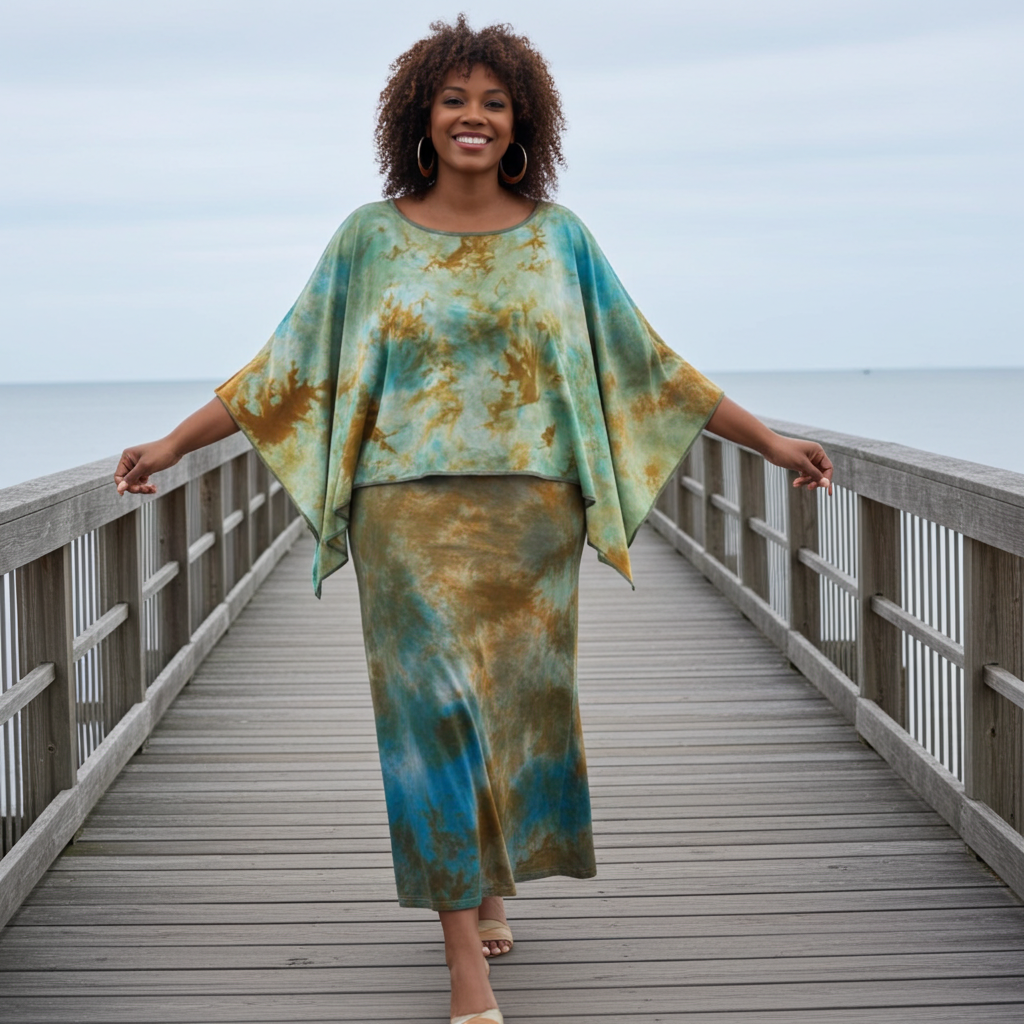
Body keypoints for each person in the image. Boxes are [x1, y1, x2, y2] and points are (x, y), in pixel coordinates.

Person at [115, 16, 833, 1024]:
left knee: (504, 714)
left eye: (494, 103)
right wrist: (170, 444)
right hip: (402, 517)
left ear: (521, 122)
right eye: (455, 99)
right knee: (428, 723)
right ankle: (463, 959)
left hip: (531, 520)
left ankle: (491, 880)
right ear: (420, 115)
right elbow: (285, 370)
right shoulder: (369, 238)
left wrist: (771, 442)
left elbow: (648, 365)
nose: (473, 117)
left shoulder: (559, 238)